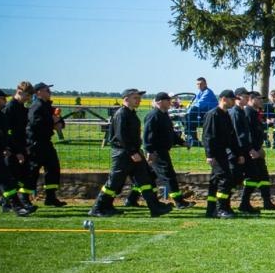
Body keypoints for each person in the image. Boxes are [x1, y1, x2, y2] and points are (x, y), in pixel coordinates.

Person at [91, 89, 172, 218]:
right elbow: (121, 136)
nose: (138, 100)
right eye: (135, 98)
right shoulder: (122, 114)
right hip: (123, 153)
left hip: (133, 152)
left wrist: (135, 151)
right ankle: (98, 207)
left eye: (139, 98)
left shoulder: (131, 113)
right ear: (126, 99)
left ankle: (154, 207)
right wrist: (132, 152)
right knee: (114, 182)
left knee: (145, 179)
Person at [202, 90, 246, 218]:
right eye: (232, 99)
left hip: (223, 153)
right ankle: (221, 209)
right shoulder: (213, 114)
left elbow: (231, 137)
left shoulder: (226, 115)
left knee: (215, 181)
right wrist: (209, 155)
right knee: (224, 179)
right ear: (224, 99)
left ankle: (212, 209)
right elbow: (207, 136)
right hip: (216, 154)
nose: (234, 102)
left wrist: (239, 153)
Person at [143, 92, 191, 207]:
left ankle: (132, 198)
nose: (171, 102)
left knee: (150, 176)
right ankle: (179, 202)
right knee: (169, 175)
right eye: (168, 100)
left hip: (162, 150)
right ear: (160, 102)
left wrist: (182, 142)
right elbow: (147, 135)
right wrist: (149, 151)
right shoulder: (153, 115)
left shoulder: (164, 115)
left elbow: (171, 133)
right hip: (157, 151)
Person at [24, 81, 67, 207]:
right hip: (35, 143)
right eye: (47, 90)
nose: (50, 92)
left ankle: (51, 197)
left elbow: (59, 121)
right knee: (32, 171)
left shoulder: (48, 106)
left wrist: (59, 123)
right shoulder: (36, 106)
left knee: (53, 168)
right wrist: (52, 122)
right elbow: (35, 124)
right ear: (38, 92)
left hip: (46, 143)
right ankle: (24, 198)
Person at [235, 92, 275, 213]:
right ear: (251, 99)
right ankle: (244, 203)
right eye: (259, 99)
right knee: (252, 176)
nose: (261, 101)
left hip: (257, 149)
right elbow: (248, 134)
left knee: (263, 176)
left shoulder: (255, 112)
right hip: (252, 151)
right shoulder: (248, 112)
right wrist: (254, 150)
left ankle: (267, 202)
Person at [3, 82, 32, 205]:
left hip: (21, 146)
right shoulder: (10, 108)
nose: (28, 98)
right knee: (13, 175)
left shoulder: (22, 108)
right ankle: (7, 203)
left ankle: (6, 201)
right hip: (12, 149)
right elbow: (7, 133)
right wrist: (16, 151)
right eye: (27, 95)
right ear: (19, 92)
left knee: (23, 175)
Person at [186, 76, 217, 147]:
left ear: (206, 84)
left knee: (190, 115)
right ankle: (192, 138)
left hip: (212, 115)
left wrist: (189, 110)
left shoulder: (207, 93)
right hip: (204, 114)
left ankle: (192, 138)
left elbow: (199, 105)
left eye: (201, 84)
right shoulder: (200, 93)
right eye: (197, 84)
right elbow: (194, 103)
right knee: (188, 117)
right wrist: (188, 110)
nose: (199, 86)